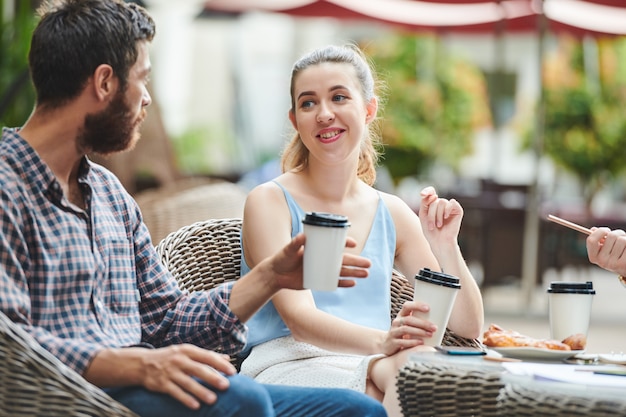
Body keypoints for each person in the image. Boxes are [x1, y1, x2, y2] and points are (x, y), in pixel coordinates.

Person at [0, 2, 388, 417]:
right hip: (69, 397)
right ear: (104, 83)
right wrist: (140, 365)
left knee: (354, 410)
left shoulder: (109, 195)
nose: (147, 98)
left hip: (148, 381)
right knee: (244, 400)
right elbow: (9, 341)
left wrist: (271, 277)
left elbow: (166, 319)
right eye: (143, 79)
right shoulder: (8, 187)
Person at [238, 44, 484, 417]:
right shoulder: (268, 201)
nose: (323, 114)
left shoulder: (392, 212)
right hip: (289, 363)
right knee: (395, 386)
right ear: (295, 120)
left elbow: (467, 325)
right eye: (308, 103)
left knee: (421, 367)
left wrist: (446, 246)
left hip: (375, 361)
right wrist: (384, 341)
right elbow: (300, 321)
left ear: (368, 109)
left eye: (338, 97)